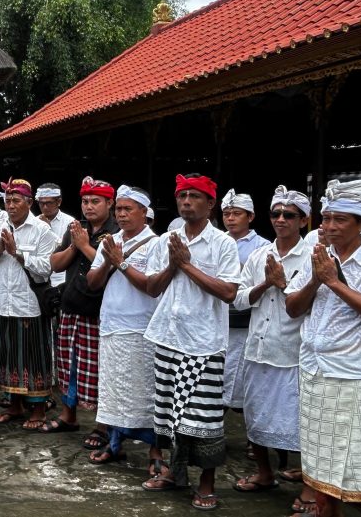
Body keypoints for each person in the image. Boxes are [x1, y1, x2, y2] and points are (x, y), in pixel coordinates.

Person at [286, 179, 361, 517]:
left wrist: (334, 282)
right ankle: (324, 511)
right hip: (315, 369)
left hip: (356, 374)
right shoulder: (318, 255)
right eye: (327, 219)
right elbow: (293, 307)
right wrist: (316, 279)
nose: (331, 226)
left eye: (341, 220)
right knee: (321, 454)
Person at [141, 174, 239, 512]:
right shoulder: (167, 239)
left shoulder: (223, 243)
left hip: (205, 343)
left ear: (211, 204)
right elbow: (153, 288)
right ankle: (173, 473)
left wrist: (187, 264)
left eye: (194, 196)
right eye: (181, 195)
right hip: (168, 337)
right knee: (169, 413)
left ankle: (207, 483)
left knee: (205, 419)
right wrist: (173, 264)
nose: (185, 202)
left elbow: (229, 292)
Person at [231, 186, 313, 511]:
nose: (280, 219)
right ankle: (264, 473)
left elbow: (311, 304)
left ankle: (310, 485)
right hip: (257, 348)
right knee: (255, 416)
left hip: (293, 352)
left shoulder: (313, 256)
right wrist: (265, 283)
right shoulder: (259, 255)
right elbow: (237, 299)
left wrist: (282, 283)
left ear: (303, 220)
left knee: (301, 422)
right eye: (275, 214)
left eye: (288, 215)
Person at [85, 185, 161, 467]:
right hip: (112, 325)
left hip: (141, 327)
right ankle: (115, 443)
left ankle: (155, 452)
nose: (122, 214)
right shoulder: (110, 240)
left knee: (144, 392)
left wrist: (122, 263)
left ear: (144, 212)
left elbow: (152, 287)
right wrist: (108, 261)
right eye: (119, 209)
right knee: (114, 390)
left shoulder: (157, 243)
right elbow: (92, 283)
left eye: (128, 209)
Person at [0, 178, 56, 430]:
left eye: (16, 201)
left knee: (34, 359)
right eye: (8, 200)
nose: (10, 205)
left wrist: (16, 253)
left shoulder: (41, 230)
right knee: (9, 357)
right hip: (4, 304)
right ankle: (15, 404)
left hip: (30, 305)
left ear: (29, 203)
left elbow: (46, 268)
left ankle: (39, 410)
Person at [47, 177, 118, 440]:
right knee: (69, 366)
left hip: (98, 312)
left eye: (95, 201)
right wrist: (76, 244)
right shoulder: (76, 228)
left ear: (109, 203)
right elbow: (55, 264)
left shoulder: (115, 231)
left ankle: (102, 426)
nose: (89, 207)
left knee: (99, 370)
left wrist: (86, 246)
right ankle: (69, 415)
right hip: (70, 307)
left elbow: (110, 268)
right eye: (85, 201)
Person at [221, 189, 270, 412]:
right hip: (218, 316)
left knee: (242, 374)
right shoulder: (217, 240)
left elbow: (260, 280)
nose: (230, 218)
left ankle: (250, 435)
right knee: (217, 374)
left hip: (244, 319)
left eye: (236, 213)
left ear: (250, 216)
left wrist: (232, 269)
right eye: (226, 214)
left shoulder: (262, 246)